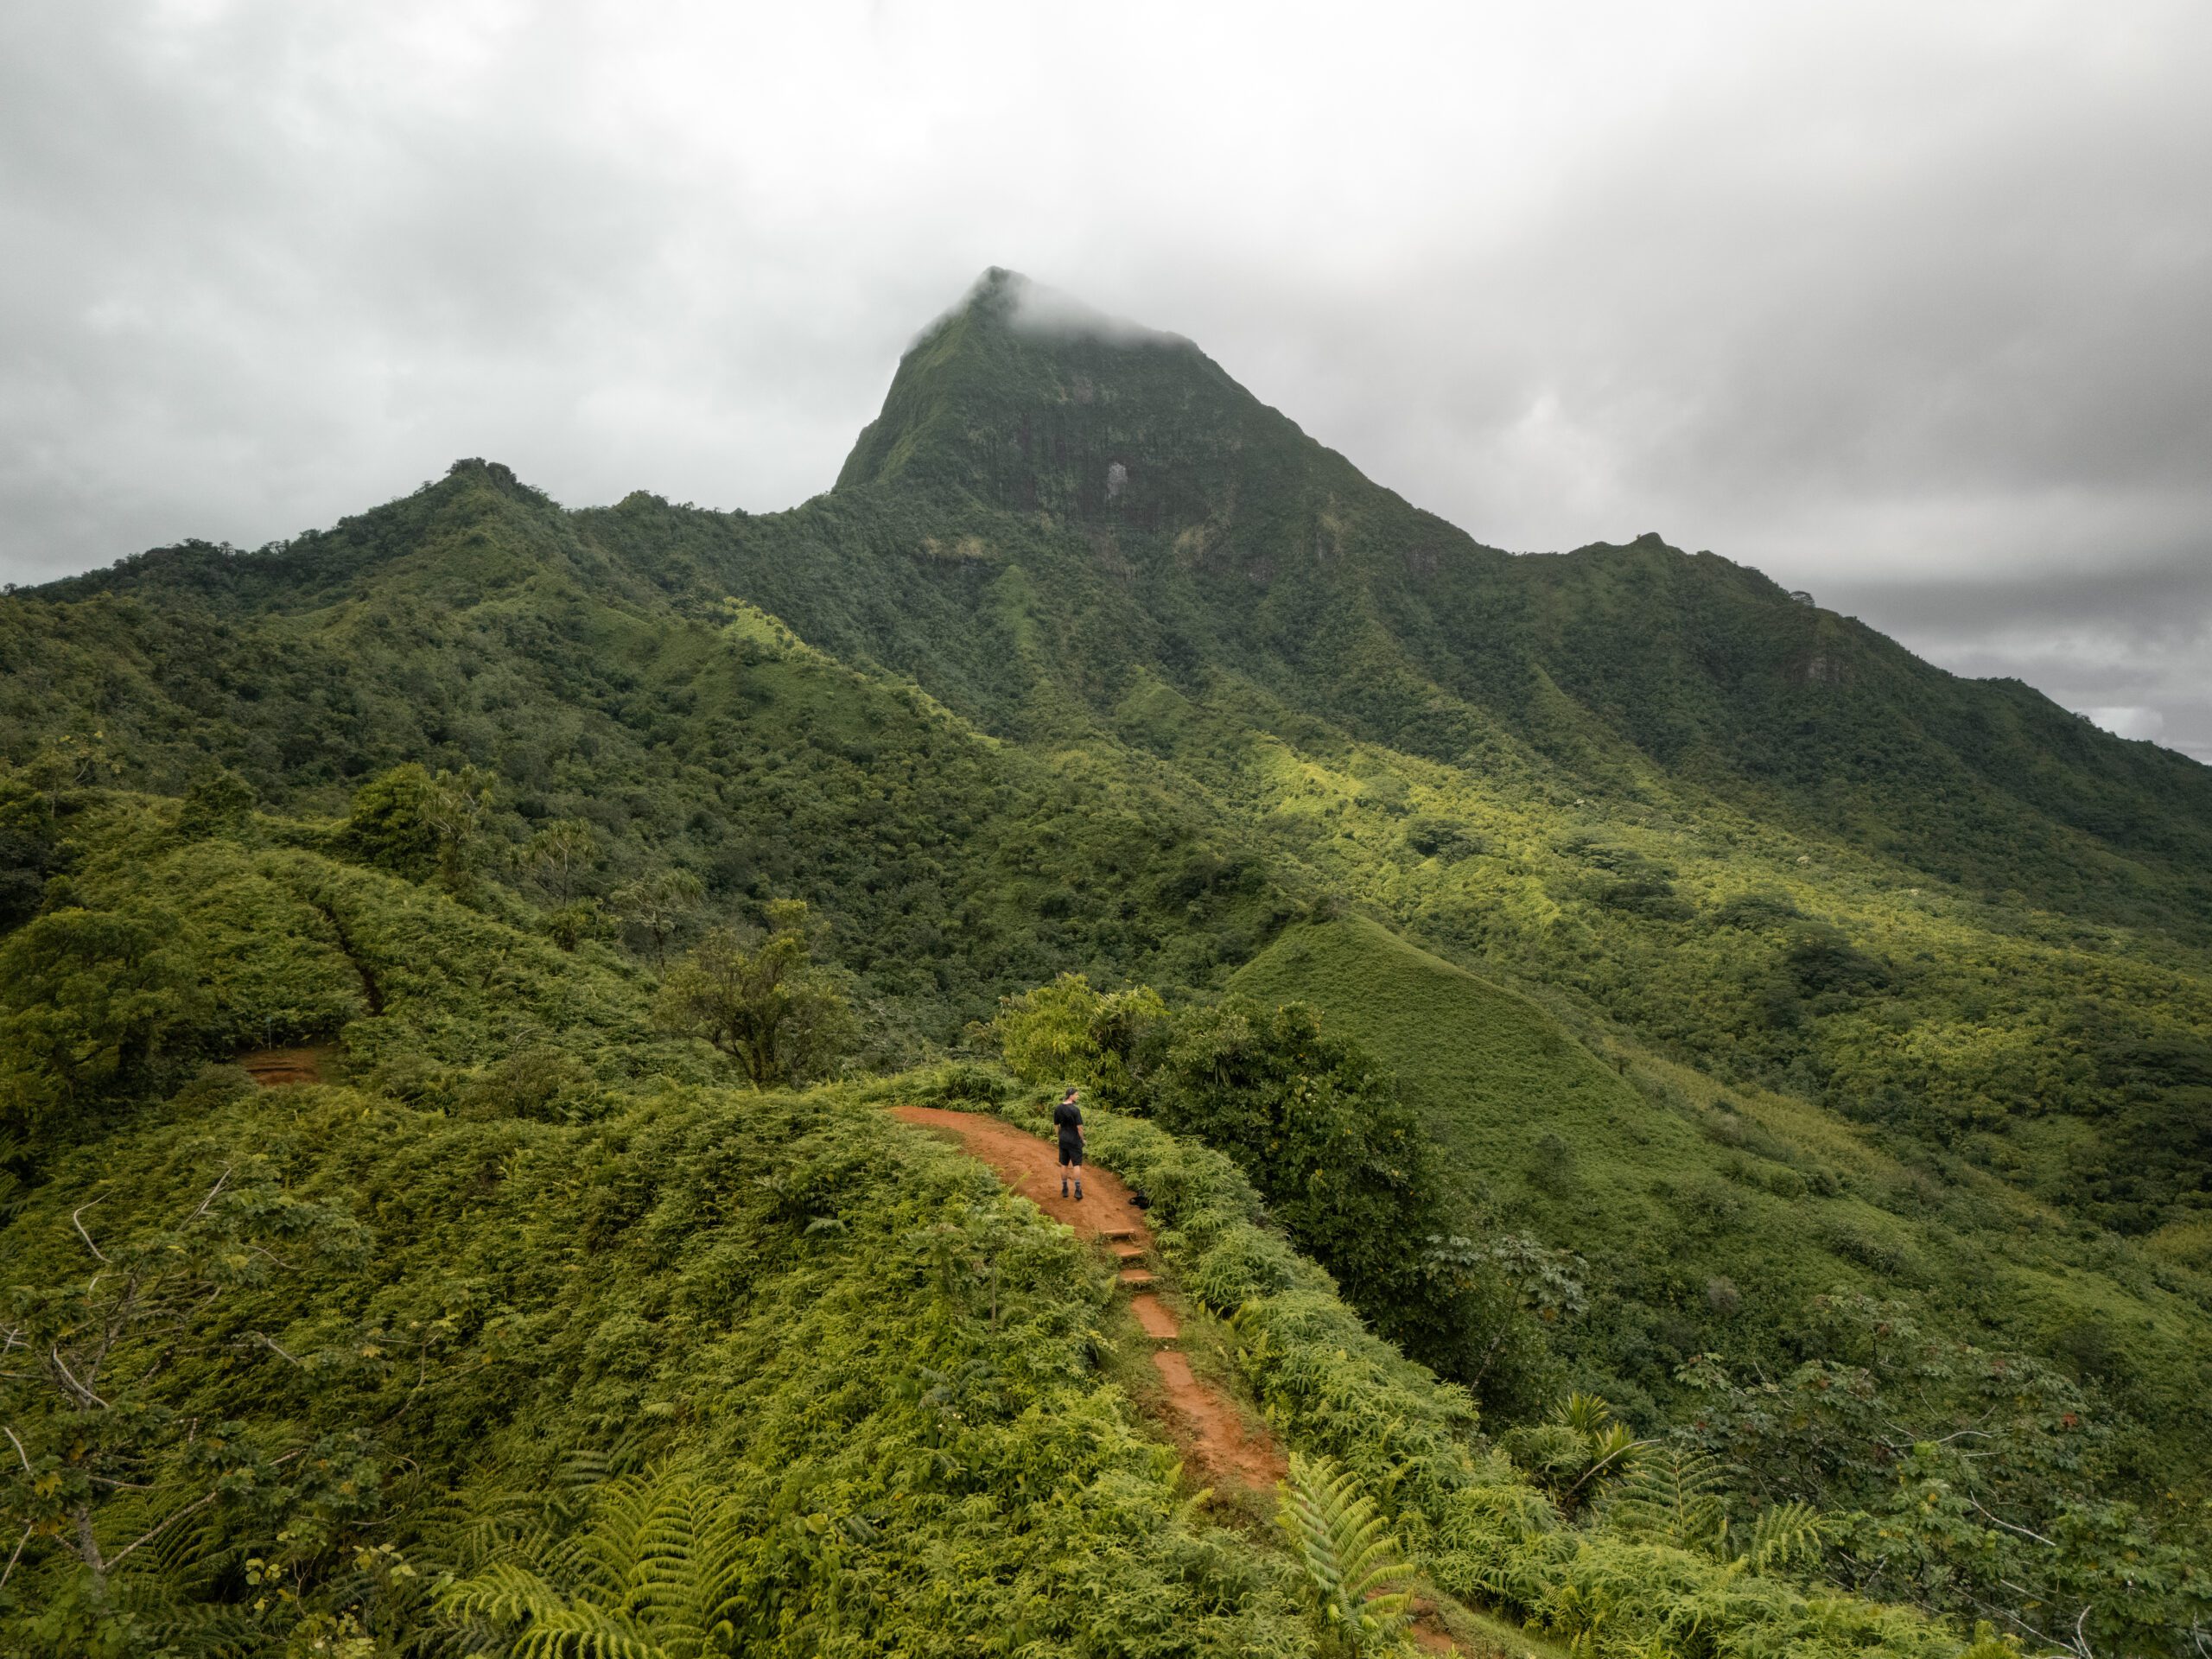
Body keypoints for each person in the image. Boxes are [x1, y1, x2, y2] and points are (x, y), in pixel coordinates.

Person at [1053, 1087, 1084, 1200]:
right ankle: (1077, 1190)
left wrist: (1059, 1137)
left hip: (1063, 1140)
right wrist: (1083, 1139)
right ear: (1070, 1096)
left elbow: (1056, 1126)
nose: (1077, 1096)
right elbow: (1080, 1128)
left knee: (1064, 1164)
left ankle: (1065, 1188)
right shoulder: (1075, 1110)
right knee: (1076, 1165)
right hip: (1074, 1140)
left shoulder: (1058, 1108)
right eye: (1076, 1094)